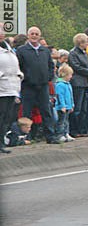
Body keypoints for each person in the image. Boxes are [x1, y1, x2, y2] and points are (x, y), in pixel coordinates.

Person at [16, 26, 57, 144]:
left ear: (39, 36)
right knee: (26, 112)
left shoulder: (45, 51)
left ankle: (50, 136)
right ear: (28, 35)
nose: (34, 36)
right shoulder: (22, 50)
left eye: (36, 34)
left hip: (43, 86)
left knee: (46, 111)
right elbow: (19, 67)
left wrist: (47, 78)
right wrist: (27, 79)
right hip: (28, 86)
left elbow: (50, 66)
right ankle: (26, 137)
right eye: (32, 34)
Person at [0, 25, 23, 153]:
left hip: (11, 87)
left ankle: (1, 142)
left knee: (6, 117)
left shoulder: (8, 48)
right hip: (1, 87)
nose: (2, 33)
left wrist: (18, 74)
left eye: (2, 30)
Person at [68, 33, 88, 137]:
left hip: (85, 83)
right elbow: (76, 66)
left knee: (84, 108)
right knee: (77, 108)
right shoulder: (73, 53)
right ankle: (74, 129)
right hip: (77, 83)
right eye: (86, 41)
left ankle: (82, 129)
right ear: (80, 42)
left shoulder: (84, 53)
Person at [55, 64, 75, 142]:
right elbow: (60, 96)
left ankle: (66, 133)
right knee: (61, 121)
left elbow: (70, 96)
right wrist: (62, 106)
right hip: (62, 107)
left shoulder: (68, 84)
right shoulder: (60, 85)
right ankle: (60, 135)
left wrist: (72, 105)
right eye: (70, 75)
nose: (71, 77)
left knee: (66, 121)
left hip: (68, 106)